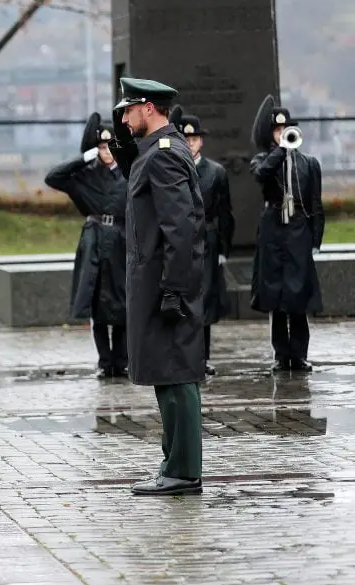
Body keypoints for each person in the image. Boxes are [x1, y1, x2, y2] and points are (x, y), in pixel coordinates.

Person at [110, 77, 206, 496]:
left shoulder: (165, 155)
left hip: (166, 284)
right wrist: (127, 151)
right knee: (166, 375)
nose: (123, 117)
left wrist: (173, 288)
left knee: (177, 375)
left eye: (127, 110)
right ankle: (173, 464)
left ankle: (184, 472)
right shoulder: (155, 151)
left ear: (148, 108)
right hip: (157, 281)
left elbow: (179, 227)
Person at [45, 114, 128, 378]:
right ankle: (105, 362)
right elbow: (53, 178)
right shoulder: (86, 176)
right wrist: (83, 157)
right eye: (102, 147)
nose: (106, 152)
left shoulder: (129, 174)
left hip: (121, 240)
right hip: (94, 240)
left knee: (123, 301)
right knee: (98, 302)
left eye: (110, 146)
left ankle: (122, 361)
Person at [249, 107, 324, 373]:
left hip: (298, 232)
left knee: (298, 294)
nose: (282, 134)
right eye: (277, 131)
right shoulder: (263, 159)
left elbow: (315, 203)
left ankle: (300, 354)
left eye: (285, 130)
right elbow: (260, 175)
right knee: (276, 295)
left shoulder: (309, 164)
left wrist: (316, 238)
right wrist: (280, 151)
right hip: (273, 231)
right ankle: (282, 355)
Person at [176, 115, 234, 376]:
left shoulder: (216, 172)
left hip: (207, 240)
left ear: (201, 141)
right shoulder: (172, 168)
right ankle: (183, 356)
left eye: (194, 139)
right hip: (180, 240)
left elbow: (225, 213)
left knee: (205, 299)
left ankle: (203, 357)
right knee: (181, 297)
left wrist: (223, 248)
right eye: (186, 139)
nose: (190, 144)